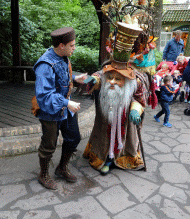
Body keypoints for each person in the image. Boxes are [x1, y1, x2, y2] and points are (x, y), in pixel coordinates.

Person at [83, 22, 156, 175]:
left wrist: (135, 110)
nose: (113, 82)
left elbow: (139, 99)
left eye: (119, 79)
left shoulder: (136, 79)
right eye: (111, 77)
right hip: (105, 116)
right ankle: (104, 157)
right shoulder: (105, 70)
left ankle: (119, 157)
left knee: (125, 137)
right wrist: (94, 80)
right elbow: (99, 75)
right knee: (103, 136)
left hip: (124, 118)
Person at [34, 27, 87, 190]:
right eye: (72, 45)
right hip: (50, 111)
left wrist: (75, 78)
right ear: (61, 45)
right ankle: (43, 175)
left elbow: (60, 76)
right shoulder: (45, 64)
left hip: (65, 108)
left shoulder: (63, 56)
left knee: (74, 137)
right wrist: (67, 103)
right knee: (49, 144)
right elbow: (44, 95)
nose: (74, 48)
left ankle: (61, 168)